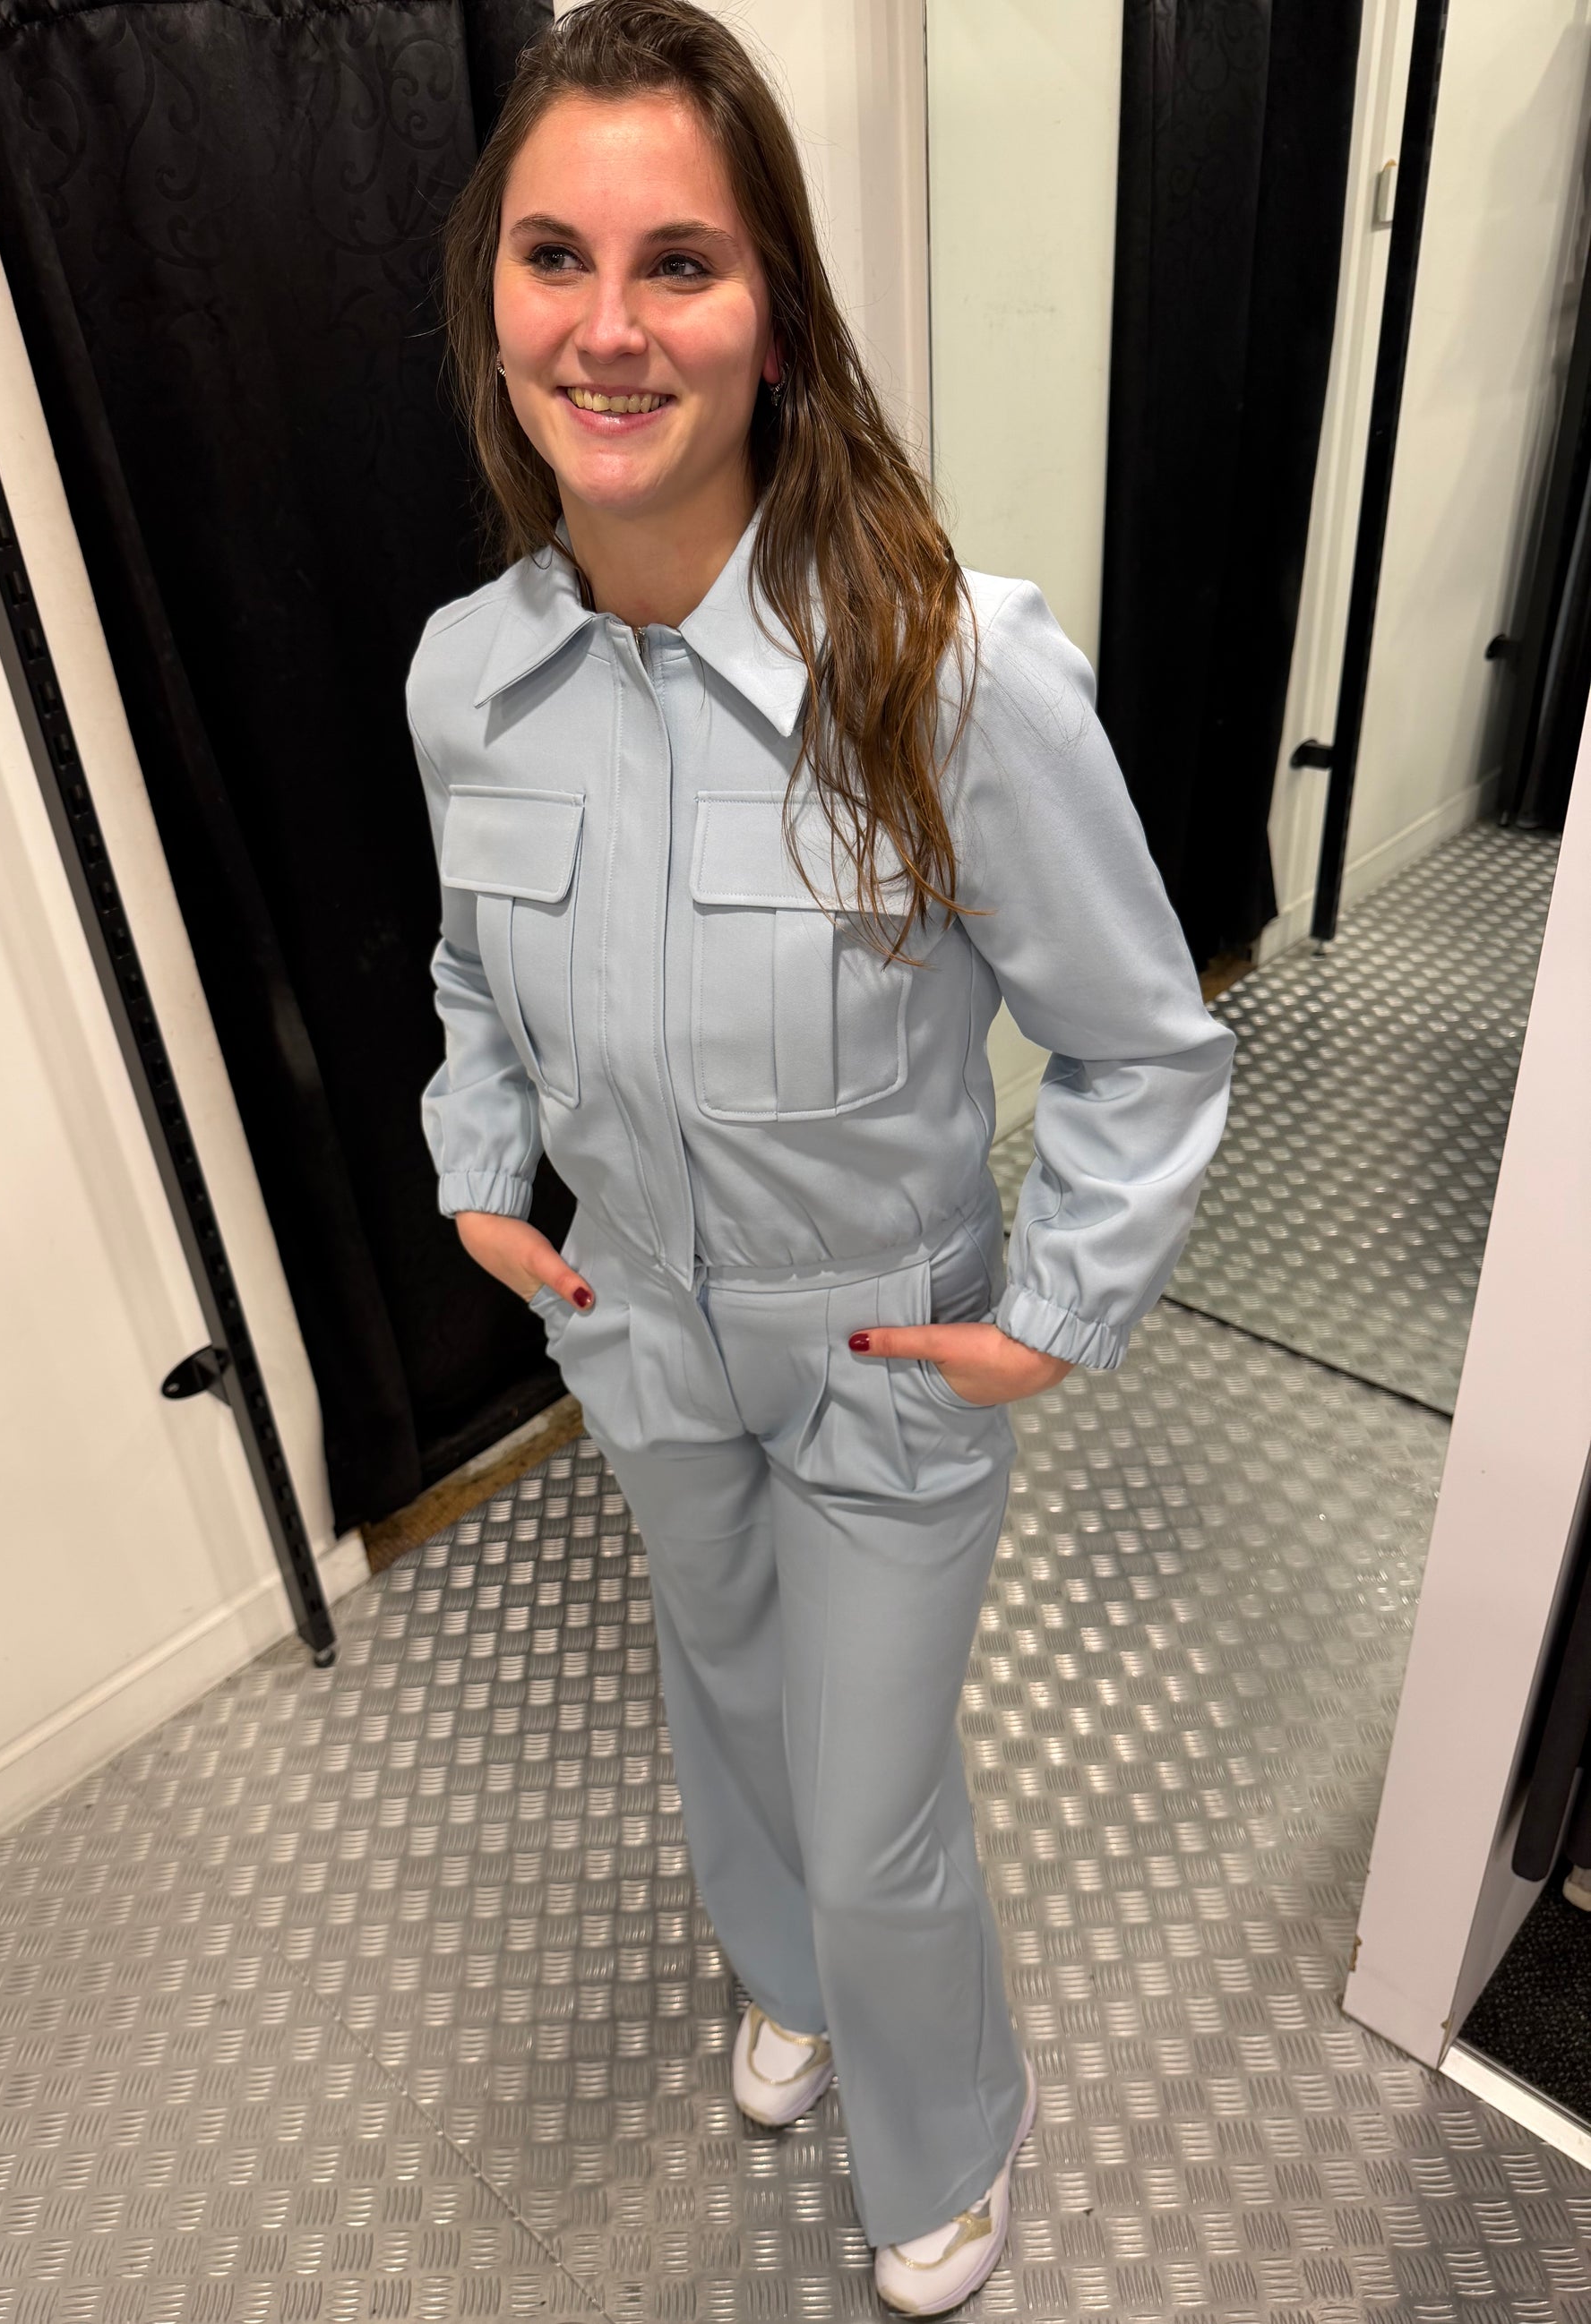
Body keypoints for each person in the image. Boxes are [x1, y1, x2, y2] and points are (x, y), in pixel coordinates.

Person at [409, 2, 1234, 2309]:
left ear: (774, 314)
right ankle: (777, 1979)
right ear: (495, 302)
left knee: (877, 1816)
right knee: (729, 1712)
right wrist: (481, 1168)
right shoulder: (469, 677)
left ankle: (951, 2118)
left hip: (879, 1350)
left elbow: (1146, 1047)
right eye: (557, 257)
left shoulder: (943, 669)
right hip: (641, 1329)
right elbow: (473, 971)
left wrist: (1051, 1318)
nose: (608, 324)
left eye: (678, 262)